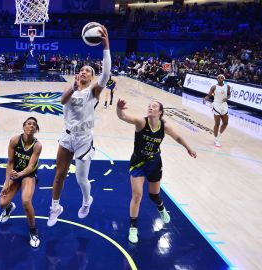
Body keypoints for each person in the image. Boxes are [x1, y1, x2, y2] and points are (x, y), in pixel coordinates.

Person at [47, 25, 111, 227]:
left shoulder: (93, 92)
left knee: (81, 178)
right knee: (59, 175)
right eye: (81, 70)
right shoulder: (71, 89)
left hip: (84, 139)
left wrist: (106, 44)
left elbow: (107, 73)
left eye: (88, 71)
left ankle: (86, 200)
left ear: (92, 78)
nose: (84, 72)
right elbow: (62, 101)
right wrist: (73, 87)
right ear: (77, 76)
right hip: (67, 137)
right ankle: (55, 207)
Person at [116, 99, 197, 243]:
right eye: (149, 106)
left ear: (160, 112)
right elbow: (123, 117)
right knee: (137, 196)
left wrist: (188, 147)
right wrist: (119, 108)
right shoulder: (141, 122)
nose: (150, 108)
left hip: (154, 163)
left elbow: (177, 137)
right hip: (138, 163)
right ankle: (133, 229)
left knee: (154, 195)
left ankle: (161, 208)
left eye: (154, 106)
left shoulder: (164, 126)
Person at [0, 117, 42, 248]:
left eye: (34, 125)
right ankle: (9, 208)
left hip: (28, 174)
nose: (32, 126)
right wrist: (6, 183)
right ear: (23, 127)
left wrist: (20, 174)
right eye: (29, 124)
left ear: (36, 129)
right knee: (2, 203)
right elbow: (10, 162)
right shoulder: (14, 140)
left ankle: (33, 231)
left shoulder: (37, 145)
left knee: (26, 201)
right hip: (15, 172)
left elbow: (30, 167)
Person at [203, 74, 231, 147]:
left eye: (221, 78)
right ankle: (216, 140)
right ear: (217, 79)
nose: (219, 79)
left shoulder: (227, 86)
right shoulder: (214, 87)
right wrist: (205, 99)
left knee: (225, 123)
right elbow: (209, 95)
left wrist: (227, 98)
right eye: (218, 78)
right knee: (217, 123)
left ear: (223, 79)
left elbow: (229, 95)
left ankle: (219, 135)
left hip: (224, 105)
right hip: (216, 104)